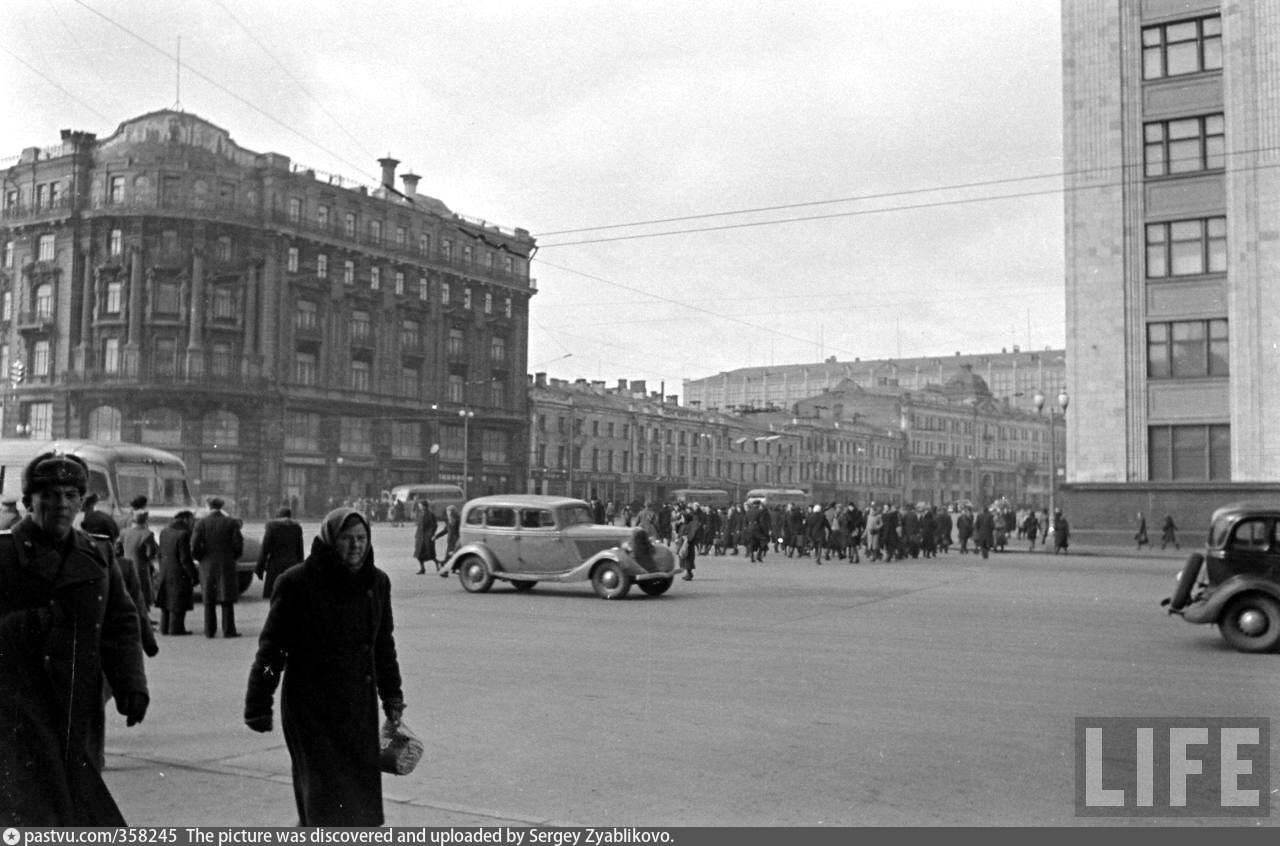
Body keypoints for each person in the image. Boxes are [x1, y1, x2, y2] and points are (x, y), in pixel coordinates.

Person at [0, 451, 149, 824]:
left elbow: (121, 622)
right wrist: (26, 623)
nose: (61, 504)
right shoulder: (4, 554)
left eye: (71, 495)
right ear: (28, 501)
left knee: (80, 803)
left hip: (78, 705)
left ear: (81, 501)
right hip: (18, 707)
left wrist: (130, 682)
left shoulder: (98, 554)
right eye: (49, 495)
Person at [243, 507, 405, 827]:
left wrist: (393, 698)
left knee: (357, 802)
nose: (356, 546)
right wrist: (259, 703)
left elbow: (383, 647)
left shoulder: (377, 583)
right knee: (322, 801)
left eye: (362, 538)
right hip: (311, 712)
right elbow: (272, 653)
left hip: (358, 709)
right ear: (331, 540)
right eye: (347, 538)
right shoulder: (297, 583)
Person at [191, 497, 245, 637]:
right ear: (221, 507)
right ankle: (229, 630)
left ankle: (209, 630)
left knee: (209, 599)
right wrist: (232, 557)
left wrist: (201, 558)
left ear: (208, 506)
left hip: (207, 564)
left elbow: (194, 545)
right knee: (226, 597)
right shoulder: (231, 522)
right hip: (226, 563)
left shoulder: (201, 523)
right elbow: (238, 545)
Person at [156, 510, 198, 635]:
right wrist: (193, 574)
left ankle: (164, 628)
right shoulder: (183, 534)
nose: (193, 523)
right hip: (179, 573)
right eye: (191, 520)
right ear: (185, 519)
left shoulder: (164, 532)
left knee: (166, 601)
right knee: (178, 603)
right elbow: (185, 558)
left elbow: (160, 553)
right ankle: (176, 628)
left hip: (165, 571)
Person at [257, 506, 305, 599]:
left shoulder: (272, 527)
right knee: (291, 595)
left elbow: (265, 549)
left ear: (277, 516)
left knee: (275, 594)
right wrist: (301, 568)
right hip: (292, 564)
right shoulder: (297, 527)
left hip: (275, 565)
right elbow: (300, 550)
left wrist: (260, 568)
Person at [119, 510, 159, 614]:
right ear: (145, 520)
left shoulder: (124, 532)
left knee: (129, 591)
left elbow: (118, 547)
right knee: (143, 591)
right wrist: (149, 560)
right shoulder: (147, 533)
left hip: (126, 564)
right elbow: (151, 552)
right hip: (141, 566)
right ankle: (143, 616)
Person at [413, 499, 439, 574]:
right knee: (419, 555)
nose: (419, 506)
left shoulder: (430, 514)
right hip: (420, 538)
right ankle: (422, 568)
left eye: (420, 505)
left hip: (427, 538)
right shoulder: (420, 514)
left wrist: (430, 534)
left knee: (430, 554)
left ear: (424, 506)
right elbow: (419, 526)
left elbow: (434, 525)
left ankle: (437, 564)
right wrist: (417, 535)